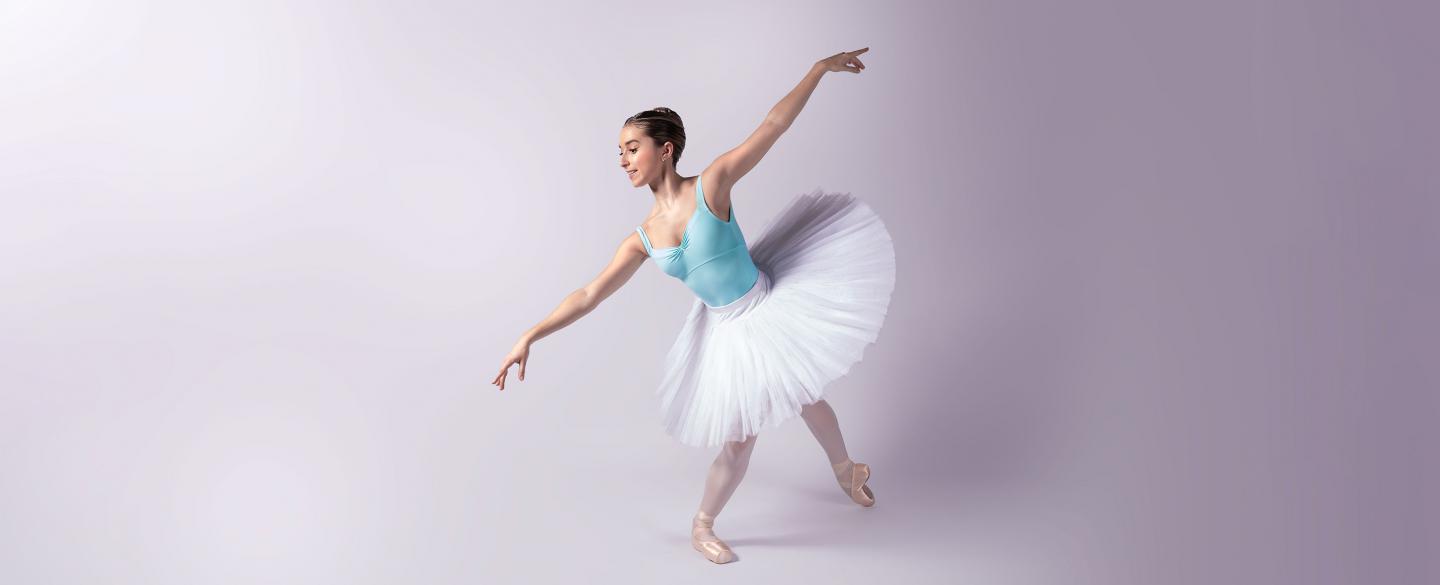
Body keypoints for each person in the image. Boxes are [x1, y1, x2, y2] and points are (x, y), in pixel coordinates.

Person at [491, 48, 894, 564]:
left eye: (631, 148)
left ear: (666, 148)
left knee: (806, 396)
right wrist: (530, 335)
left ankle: (846, 470)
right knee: (741, 437)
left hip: (766, 306)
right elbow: (589, 294)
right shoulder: (642, 238)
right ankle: (702, 525)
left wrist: (817, 70)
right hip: (725, 331)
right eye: (619, 151)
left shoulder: (713, 184)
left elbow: (773, 125)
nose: (623, 160)